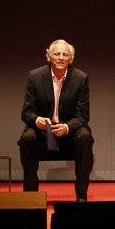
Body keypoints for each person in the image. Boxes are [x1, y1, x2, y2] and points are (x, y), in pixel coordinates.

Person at [18, 38, 94, 202]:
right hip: (42, 131)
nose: (60, 57)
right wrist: (37, 120)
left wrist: (66, 127)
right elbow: (26, 112)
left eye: (65, 54)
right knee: (26, 138)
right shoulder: (35, 76)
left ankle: (81, 196)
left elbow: (83, 116)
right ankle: (31, 197)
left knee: (85, 137)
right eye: (56, 53)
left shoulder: (81, 78)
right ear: (48, 56)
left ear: (71, 58)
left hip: (69, 130)